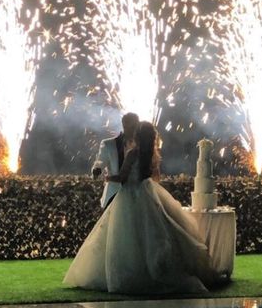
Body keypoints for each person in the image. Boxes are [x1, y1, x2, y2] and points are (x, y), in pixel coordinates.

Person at [64, 121, 218, 294]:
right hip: (147, 193)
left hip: (129, 195)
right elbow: (156, 178)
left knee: (126, 236)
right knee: (153, 234)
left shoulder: (132, 153)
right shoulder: (152, 155)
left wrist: (108, 178)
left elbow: (122, 177)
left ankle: (131, 274)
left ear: (137, 135)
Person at [91, 112, 139, 209]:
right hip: (114, 195)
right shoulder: (108, 144)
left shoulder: (141, 145)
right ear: (123, 125)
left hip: (136, 196)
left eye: (134, 126)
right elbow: (100, 162)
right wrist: (96, 170)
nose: (131, 129)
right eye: (129, 126)